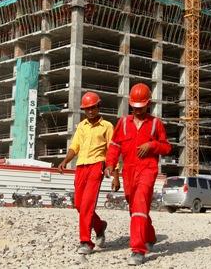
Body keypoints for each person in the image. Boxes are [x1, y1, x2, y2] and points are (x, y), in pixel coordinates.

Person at [105, 83, 171, 266]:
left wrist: (152, 145)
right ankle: (149, 235)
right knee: (134, 208)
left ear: (148, 104)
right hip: (128, 172)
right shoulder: (123, 123)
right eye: (135, 108)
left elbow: (166, 147)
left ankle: (138, 249)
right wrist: (110, 164)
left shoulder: (156, 123)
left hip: (147, 170)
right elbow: (114, 146)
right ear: (130, 105)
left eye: (141, 108)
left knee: (141, 203)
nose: (138, 111)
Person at [58, 91, 120, 255]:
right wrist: (65, 160)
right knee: (79, 204)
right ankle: (99, 226)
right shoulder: (81, 126)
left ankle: (86, 242)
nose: (90, 111)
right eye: (87, 109)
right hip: (80, 167)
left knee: (87, 205)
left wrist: (115, 175)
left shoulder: (107, 126)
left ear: (99, 107)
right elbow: (74, 147)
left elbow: (113, 151)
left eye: (93, 107)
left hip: (97, 166)